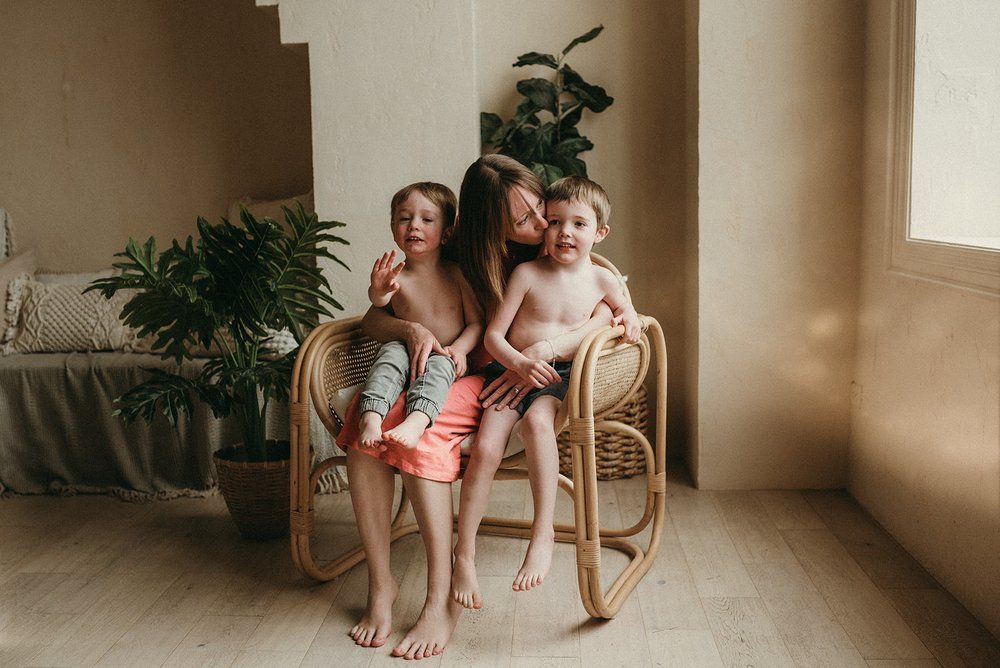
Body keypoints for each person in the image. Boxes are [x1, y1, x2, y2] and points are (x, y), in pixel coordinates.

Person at [337, 155, 632, 659]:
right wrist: (412, 329)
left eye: (540, 208)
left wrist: (545, 351)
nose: (544, 225)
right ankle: (381, 585)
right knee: (363, 431)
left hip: (501, 380)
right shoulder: (468, 260)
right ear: (491, 226)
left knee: (421, 434)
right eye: (526, 220)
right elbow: (376, 316)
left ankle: (439, 598)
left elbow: (614, 309)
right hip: (467, 372)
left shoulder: (561, 252)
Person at [450, 175, 639, 610]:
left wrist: (627, 319)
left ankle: (543, 532)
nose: (564, 233)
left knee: (538, 423)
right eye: (554, 222)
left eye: (578, 224)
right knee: (486, 449)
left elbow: (627, 314)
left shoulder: (603, 281)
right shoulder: (527, 273)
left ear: (600, 232)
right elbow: (494, 336)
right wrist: (517, 362)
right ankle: (465, 552)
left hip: (560, 378)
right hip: (510, 370)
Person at [357, 182, 482, 451]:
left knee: (441, 366)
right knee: (390, 355)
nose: (414, 225)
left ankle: (417, 420)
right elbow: (378, 305)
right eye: (404, 218)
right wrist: (378, 291)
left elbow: (476, 323)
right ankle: (371, 416)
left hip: (444, 355)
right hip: (405, 350)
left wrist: (458, 350)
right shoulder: (396, 277)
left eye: (427, 219)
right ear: (393, 228)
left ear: (447, 233)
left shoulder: (457, 274)